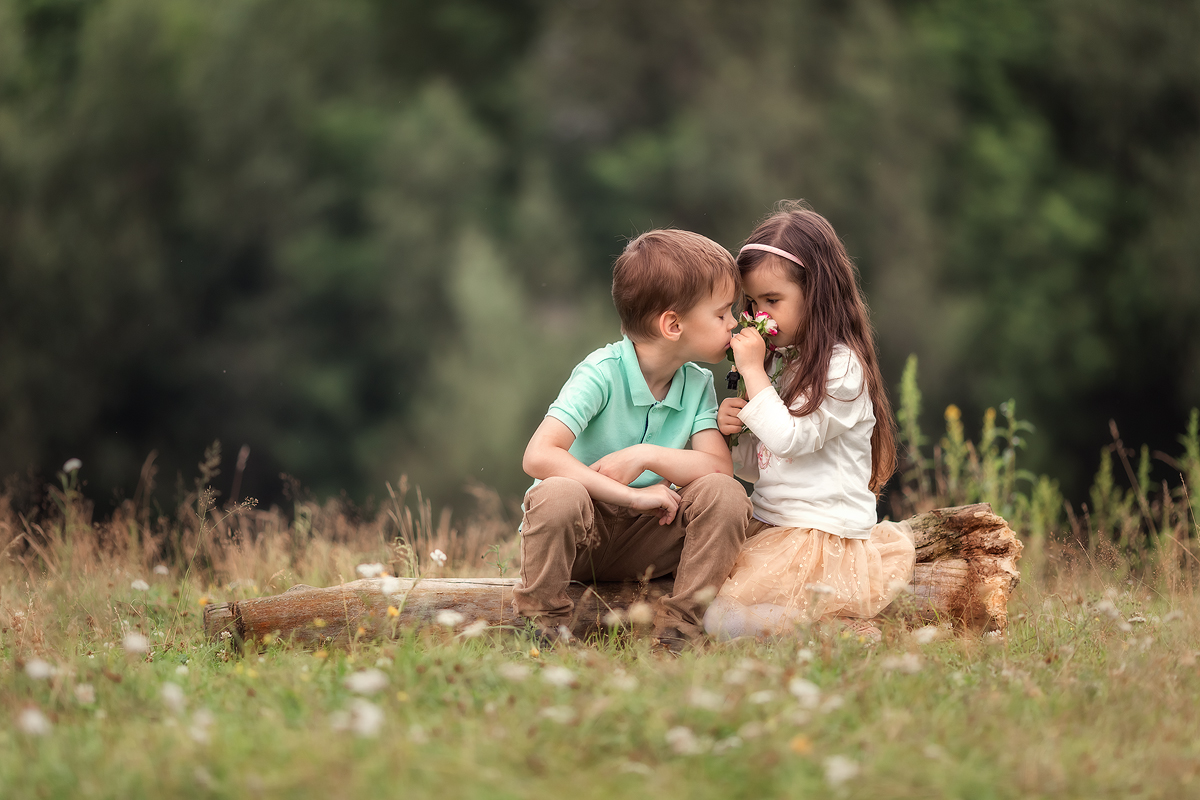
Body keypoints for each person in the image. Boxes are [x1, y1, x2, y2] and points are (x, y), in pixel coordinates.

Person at [515, 229, 753, 651]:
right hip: (580, 540)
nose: (734, 323)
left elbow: (718, 468)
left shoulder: (697, 383)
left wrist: (646, 456)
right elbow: (538, 455)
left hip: (649, 537)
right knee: (558, 494)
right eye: (722, 314)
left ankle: (679, 634)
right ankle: (544, 631)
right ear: (673, 324)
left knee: (726, 494)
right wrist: (631, 496)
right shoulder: (601, 372)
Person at [703, 202, 915, 644]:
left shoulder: (842, 368)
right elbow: (760, 465)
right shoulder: (782, 364)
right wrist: (735, 432)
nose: (760, 316)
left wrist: (755, 373)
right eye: (753, 302)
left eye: (773, 301)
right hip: (773, 528)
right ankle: (815, 630)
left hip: (818, 540)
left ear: (815, 294)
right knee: (713, 614)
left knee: (724, 623)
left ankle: (834, 633)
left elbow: (789, 440)